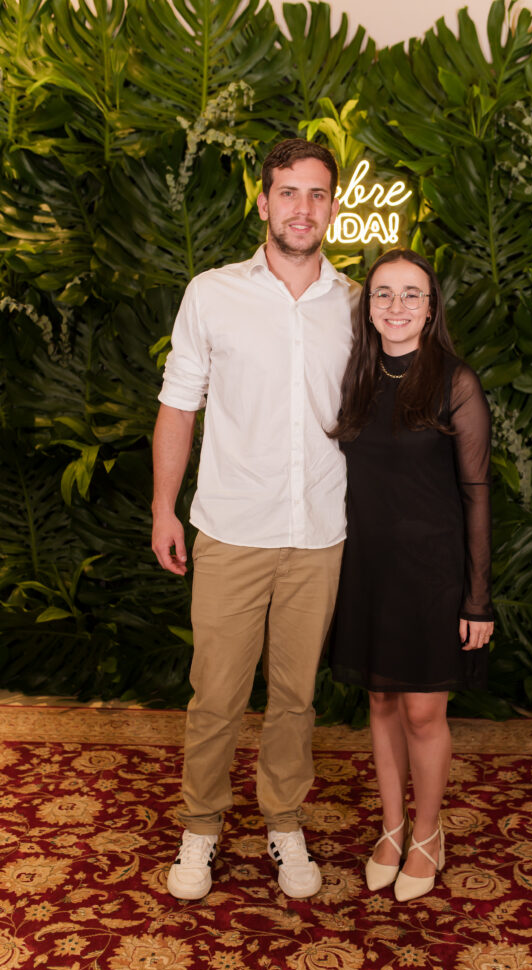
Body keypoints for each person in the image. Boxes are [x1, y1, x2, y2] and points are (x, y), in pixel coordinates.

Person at [152, 139, 360, 901]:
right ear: (264, 201)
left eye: (317, 194)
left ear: (331, 206)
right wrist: (162, 508)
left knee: (295, 696)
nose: (303, 208)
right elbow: (179, 405)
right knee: (215, 695)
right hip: (231, 527)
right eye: (288, 192)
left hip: (319, 533)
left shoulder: (357, 303)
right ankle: (201, 827)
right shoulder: (211, 293)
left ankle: (283, 820)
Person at [328, 248, 493, 902]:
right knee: (379, 700)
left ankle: (428, 833)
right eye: (383, 294)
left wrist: (477, 599)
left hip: (431, 571)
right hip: (366, 565)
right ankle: (392, 827)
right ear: (368, 307)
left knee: (423, 710)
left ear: (430, 308)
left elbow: (476, 493)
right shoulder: (355, 377)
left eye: (411, 294)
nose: (396, 306)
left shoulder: (455, 382)